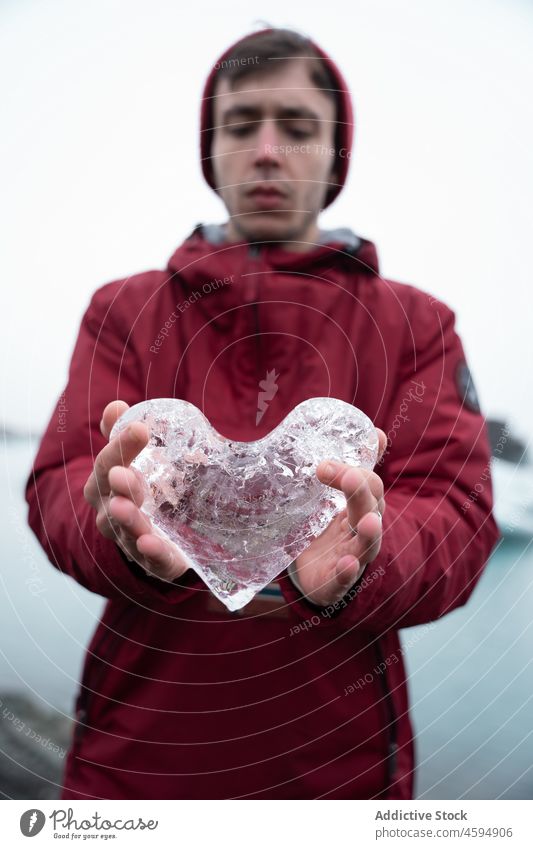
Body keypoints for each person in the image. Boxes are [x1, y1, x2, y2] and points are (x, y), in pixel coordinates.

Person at [25, 27, 499, 800]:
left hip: (339, 780)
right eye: (242, 125)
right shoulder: (125, 309)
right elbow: (61, 479)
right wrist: (115, 526)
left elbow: (458, 512)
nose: (269, 150)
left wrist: (360, 561)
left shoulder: (417, 324)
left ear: (335, 154)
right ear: (210, 149)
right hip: (133, 767)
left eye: (299, 127)